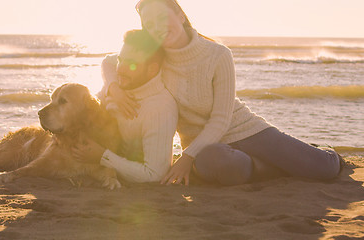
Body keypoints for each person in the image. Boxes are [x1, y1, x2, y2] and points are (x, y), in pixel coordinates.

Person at [101, 0, 343, 186]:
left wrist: (186, 158)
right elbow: (110, 62)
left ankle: (324, 153)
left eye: (161, 18)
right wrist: (113, 87)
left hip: (246, 131)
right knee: (213, 164)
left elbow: (221, 120)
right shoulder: (158, 59)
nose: (157, 28)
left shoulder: (218, 55)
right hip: (206, 148)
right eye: (149, 25)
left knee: (324, 170)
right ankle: (267, 167)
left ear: (180, 14)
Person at [72, 29, 178, 183]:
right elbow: (108, 61)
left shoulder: (159, 109)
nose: (120, 68)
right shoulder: (119, 87)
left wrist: (102, 156)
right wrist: (114, 89)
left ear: (152, 69)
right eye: (120, 60)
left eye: (132, 64)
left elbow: (154, 175)